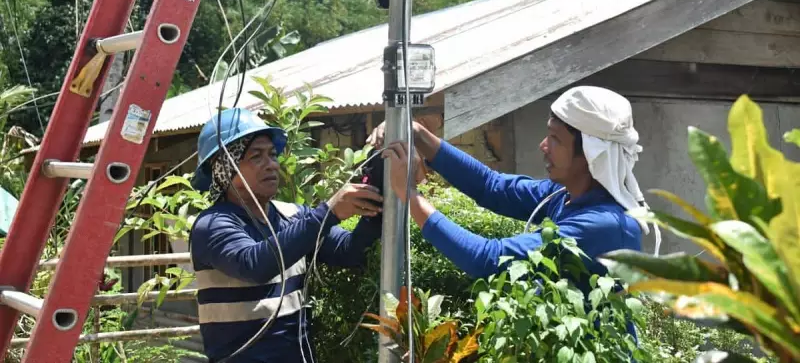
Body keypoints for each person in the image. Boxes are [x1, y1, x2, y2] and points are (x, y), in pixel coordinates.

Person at [371, 86, 658, 293]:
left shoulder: (604, 224)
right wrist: (418, 134)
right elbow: (491, 187)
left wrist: (409, 195)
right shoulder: (564, 196)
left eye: (555, 139)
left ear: (592, 154)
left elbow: (488, 260)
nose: (543, 146)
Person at [188, 108, 384, 362]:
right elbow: (255, 265)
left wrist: (378, 199)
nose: (271, 164)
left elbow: (348, 252)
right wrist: (329, 212)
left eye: (272, 154)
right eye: (256, 156)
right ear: (225, 167)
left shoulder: (292, 215)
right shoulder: (212, 224)